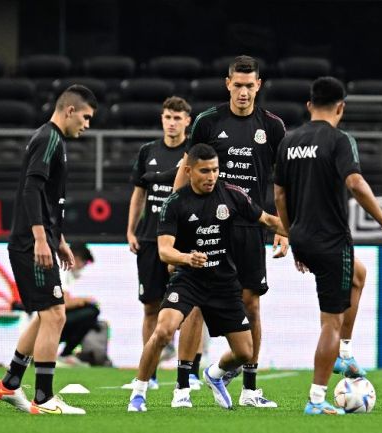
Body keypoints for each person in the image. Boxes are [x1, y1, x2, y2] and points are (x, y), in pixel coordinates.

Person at [273, 77, 382, 415]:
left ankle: (344, 351)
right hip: (332, 241)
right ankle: (316, 399)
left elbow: (279, 195)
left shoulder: (288, 141)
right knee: (330, 320)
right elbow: (356, 183)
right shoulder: (340, 140)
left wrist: (291, 235)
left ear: (308, 105)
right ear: (341, 107)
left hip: (302, 236)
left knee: (358, 275)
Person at [127, 143, 287, 412]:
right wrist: (186, 258)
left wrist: (301, 235)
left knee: (245, 353)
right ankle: (139, 393)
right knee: (164, 330)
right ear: (188, 171)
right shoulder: (174, 203)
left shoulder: (232, 195)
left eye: (215, 170)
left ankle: (213, 374)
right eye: (204, 171)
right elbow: (165, 251)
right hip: (188, 279)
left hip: (223, 282)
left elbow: (269, 220)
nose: (211, 176)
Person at [172, 55, 287, 408]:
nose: (242, 91)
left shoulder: (273, 126)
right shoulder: (208, 122)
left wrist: (283, 229)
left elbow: (282, 184)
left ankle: (250, 389)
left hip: (249, 226)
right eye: (237, 85)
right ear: (228, 84)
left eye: (249, 85)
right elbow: (187, 169)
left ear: (259, 86)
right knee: (194, 306)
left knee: (251, 305)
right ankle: (182, 387)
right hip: (206, 226)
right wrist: (172, 219)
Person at [0, 85, 97, 415]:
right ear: (69, 111)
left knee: (47, 312)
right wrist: (39, 238)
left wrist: (58, 240)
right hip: (30, 242)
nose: (88, 125)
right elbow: (31, 190)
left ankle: (9, 384)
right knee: (55, 313)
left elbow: (49, 200)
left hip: (41, 239)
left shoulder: (54, 140)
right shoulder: (49, 139)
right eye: (87, 117)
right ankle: (43, 398)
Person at [122, 96, 195, 389]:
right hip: (150, 240)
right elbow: (139, 194)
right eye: (168, 117)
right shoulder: (147, 152)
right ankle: (149, 374)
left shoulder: (193, 153)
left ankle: (188, 372)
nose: (172, 122)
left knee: (189, 307)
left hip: (182, 241)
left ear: (188, 121)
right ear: (162, 119)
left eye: (178, 118)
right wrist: (131, 230)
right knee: (151, 307)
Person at [56, 243, 100, 367]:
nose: (82, 268)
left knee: (89, 315)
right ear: (75, 258)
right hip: (46, 319)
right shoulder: (62, 270)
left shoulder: (65, 274)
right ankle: (63, 355)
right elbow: (62, 303)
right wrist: (84, 300)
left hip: (53, 317)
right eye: (83, 264)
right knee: (91, 312)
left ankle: (65, 355)